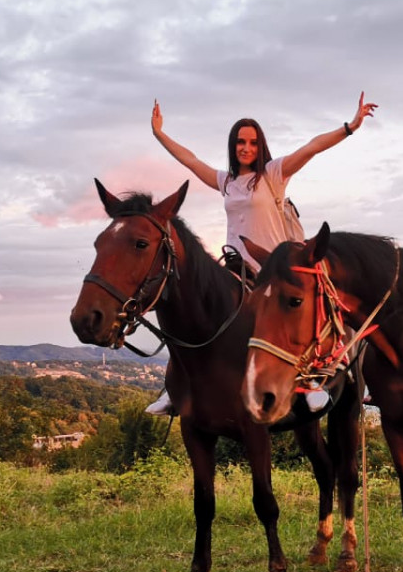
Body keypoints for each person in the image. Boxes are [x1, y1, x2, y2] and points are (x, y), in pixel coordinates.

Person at [145, 93, 377, 414]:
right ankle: (177, 389)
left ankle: (309, 385)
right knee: (192, 309)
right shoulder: (225, 182)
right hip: (234, 267)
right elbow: (191, 160)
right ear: (233, 145)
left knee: (289, 324)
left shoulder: (273, 175)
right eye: (241, 142)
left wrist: (350, 127)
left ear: (260, 146)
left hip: (270, 268)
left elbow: (311, 147)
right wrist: (160, 134)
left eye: (253, 143)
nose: (246, 148)